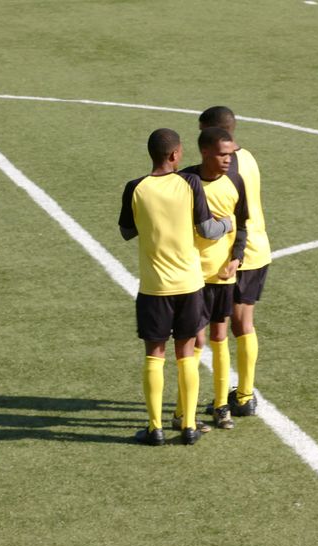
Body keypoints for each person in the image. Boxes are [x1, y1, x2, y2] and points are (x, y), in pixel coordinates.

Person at [118, 128, 232, 446]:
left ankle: (155, 428)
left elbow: (126, 231)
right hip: (190, 285)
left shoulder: (135, 188)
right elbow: (207, 229)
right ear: (174, 155)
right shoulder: (190, 183)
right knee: (186, 353)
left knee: (154, 355)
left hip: (154, 288)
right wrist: (228, 223)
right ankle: (189, 426)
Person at [171, 127, 247, 430]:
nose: (228, 160)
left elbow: (242, 225)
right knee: (195, 340)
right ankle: (183, 413)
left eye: (230, 154)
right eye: (222, 154)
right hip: (191, 277)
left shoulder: (235, 181)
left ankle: (220, 406)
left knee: (219, 336)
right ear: (205, 152)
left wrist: (237, 258)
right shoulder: (184, 181)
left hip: (222, 276)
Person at [199, 106, 270, 417]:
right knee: (244, 325)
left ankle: (236, 397)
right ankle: (243, 394)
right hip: (259, 247)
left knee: (225, 328)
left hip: (236, 254)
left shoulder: (225, 171)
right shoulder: (248, 156)